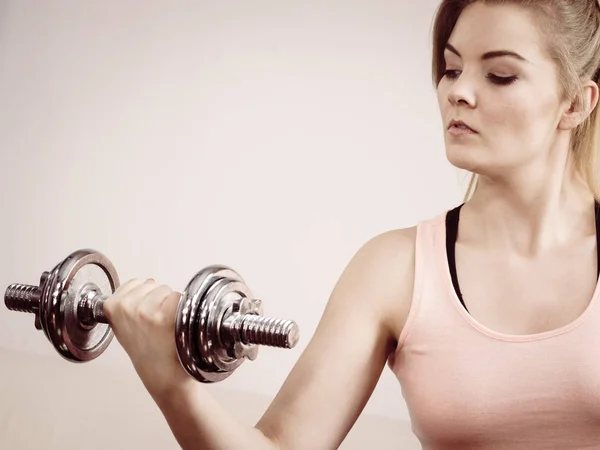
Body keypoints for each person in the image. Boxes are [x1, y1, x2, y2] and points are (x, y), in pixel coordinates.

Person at [103, 0, 600, 448]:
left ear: (575, 103)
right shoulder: (394, 270)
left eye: (500, 76)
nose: (458, 92)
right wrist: (171, 385)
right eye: (451, 68)